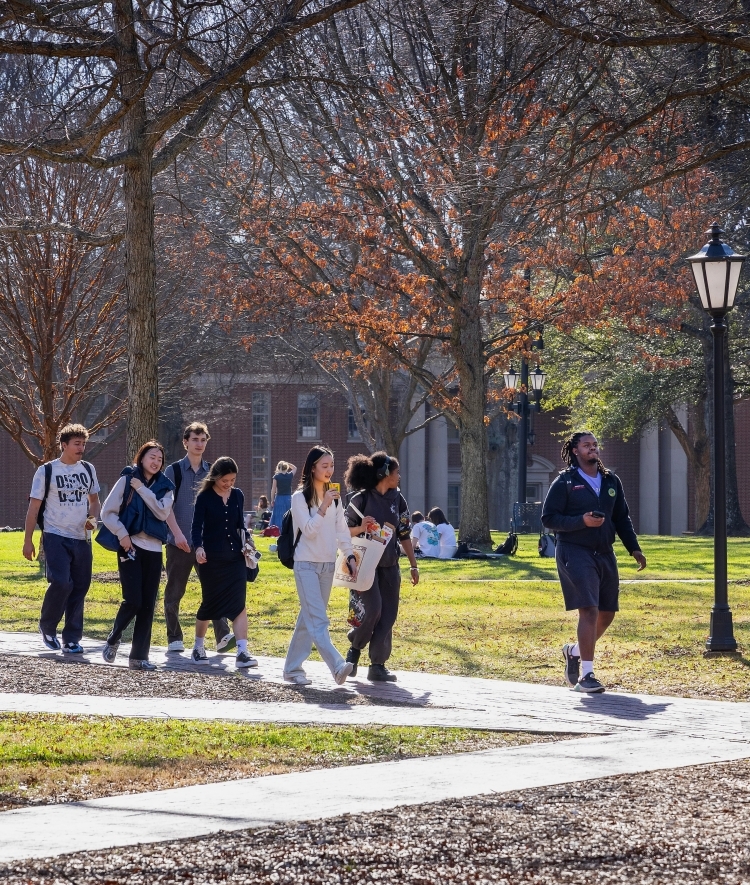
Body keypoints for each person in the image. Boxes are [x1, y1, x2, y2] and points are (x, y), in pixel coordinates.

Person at [541, 430, 646, 694]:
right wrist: (581, 521)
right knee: (588, 610)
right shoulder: (565, 482)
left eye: (595, 445)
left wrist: (634, 548)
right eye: (586, 445)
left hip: (604, 552)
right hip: (574, 550)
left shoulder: (611, 480)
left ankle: (574, 651)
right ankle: (586, 676)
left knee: (607, 613)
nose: (593, 449)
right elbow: (549, 518)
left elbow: (622, 517)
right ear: (575, 451)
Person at [23, 424, 101, 653]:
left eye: (83, 444)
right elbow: (33, 508)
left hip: (81, 538)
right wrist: (28, 540)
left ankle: (72, 638)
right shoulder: (46, 471)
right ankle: (47, 627)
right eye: (77, 444)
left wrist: (93, 520)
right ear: (64, 445)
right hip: (55, 535)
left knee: (80, 586)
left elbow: (95, 501)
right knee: (61, 582)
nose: (81, 448)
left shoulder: (88, 469)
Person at [283, 446, 356, 686]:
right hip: (305, 565)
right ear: (312, 468)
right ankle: (336, 666)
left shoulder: (334, 497)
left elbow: (341, 530)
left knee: (309, 618)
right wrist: (323, 505)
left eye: (332, 466)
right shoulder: (298, 498)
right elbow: (310, 531)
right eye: (324, 466)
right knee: (318, 620)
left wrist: (349, 555)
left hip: (327, 565)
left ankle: (292, 669)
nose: (329, 471)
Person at [344, 452, 419, 682]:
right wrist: (361, 527)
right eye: (396, 472)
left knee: (388, 614)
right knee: (374, 609)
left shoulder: (398, 499)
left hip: (389, 564)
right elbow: (343, 531)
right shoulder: (360, 500)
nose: (399, 477)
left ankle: (377, 665)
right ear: (384, 474)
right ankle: (355, 649)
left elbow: (404, 533)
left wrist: (413, 565)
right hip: (365, 565)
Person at [101, 441, 174, 671]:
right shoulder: (126, 479)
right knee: (133, 600)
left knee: (147, 606)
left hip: (154, 551)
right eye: (152, 457)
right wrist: (122, 534)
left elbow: (163, 513)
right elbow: (107, 512)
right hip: (130, 546)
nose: (155, 462)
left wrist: (142, 489)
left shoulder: (166, 486)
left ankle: (138, 657)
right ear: (141, 458)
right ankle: (114, 637)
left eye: (160, 459)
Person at [162, 422, 233, 654]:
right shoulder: (173, 471)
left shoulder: (213, 472)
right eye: (195, 439)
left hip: (206, 545)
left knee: (214, 590)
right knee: (174, 593)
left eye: (203, 440)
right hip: (178, 543)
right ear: (185, 442)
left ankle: (223, 637)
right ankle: (174, 637)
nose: (199, 444)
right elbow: (166, 507)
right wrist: (177, 535)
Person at [191, 457, 257, 669]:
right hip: (212, 559)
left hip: (235, 559)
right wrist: (199, 547)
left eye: (233, 479)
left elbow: (240, 525)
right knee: (209, 604)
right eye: (225, 480)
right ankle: (198, 647)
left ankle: (242, 651)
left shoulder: (238, 495)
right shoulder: (205, 498)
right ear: (215, 477)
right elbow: (196, 528)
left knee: (239, 604)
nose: (229, 484)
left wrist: (248, 539)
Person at [269, 460, 297, 528]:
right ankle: (288, 529)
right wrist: (287, 463)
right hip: (288, 498)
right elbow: (295, 468)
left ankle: (278, 529)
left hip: (279, 498)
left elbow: (273, 490)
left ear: (278, 468)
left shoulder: (276, 476)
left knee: (279, 515)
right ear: (286, 467)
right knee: (288, 515)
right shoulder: (289, 475)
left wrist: (272, 500)